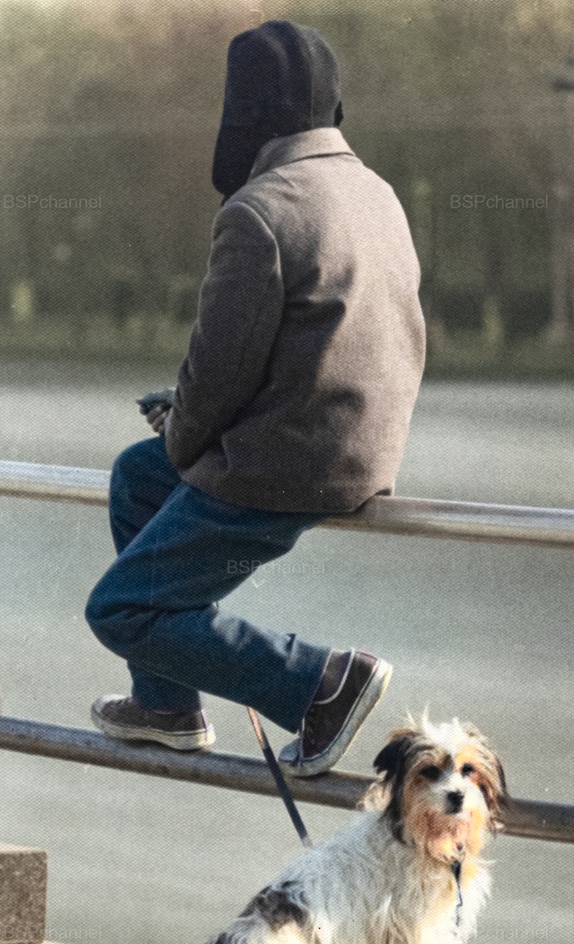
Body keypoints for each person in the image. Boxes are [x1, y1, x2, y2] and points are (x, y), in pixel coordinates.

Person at [85, 20, 425, 778]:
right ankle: (167, 705)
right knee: (138, 478)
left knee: (119, 608)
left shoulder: (259, 210)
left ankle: (320, 683)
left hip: (286, 464)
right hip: (359, 447)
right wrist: (182, 432)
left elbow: (218, 371)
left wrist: (183, 423)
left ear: (246, 112)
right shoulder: (377, 193)